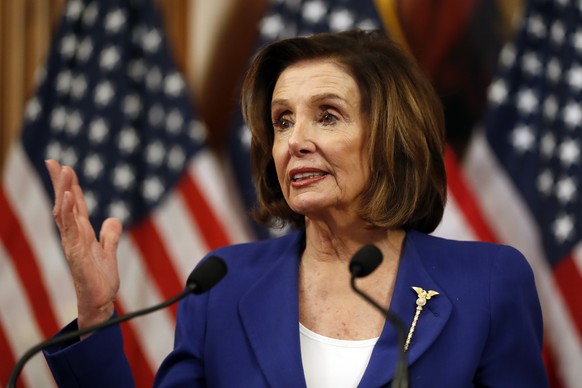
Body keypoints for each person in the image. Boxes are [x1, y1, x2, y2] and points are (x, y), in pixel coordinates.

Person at [43, 29, 548, 387]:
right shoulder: (222, 285)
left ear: (391, 137)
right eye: (282, 121)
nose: (294, 142)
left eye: (326, 116)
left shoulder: (487, 283)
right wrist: (96, 314)